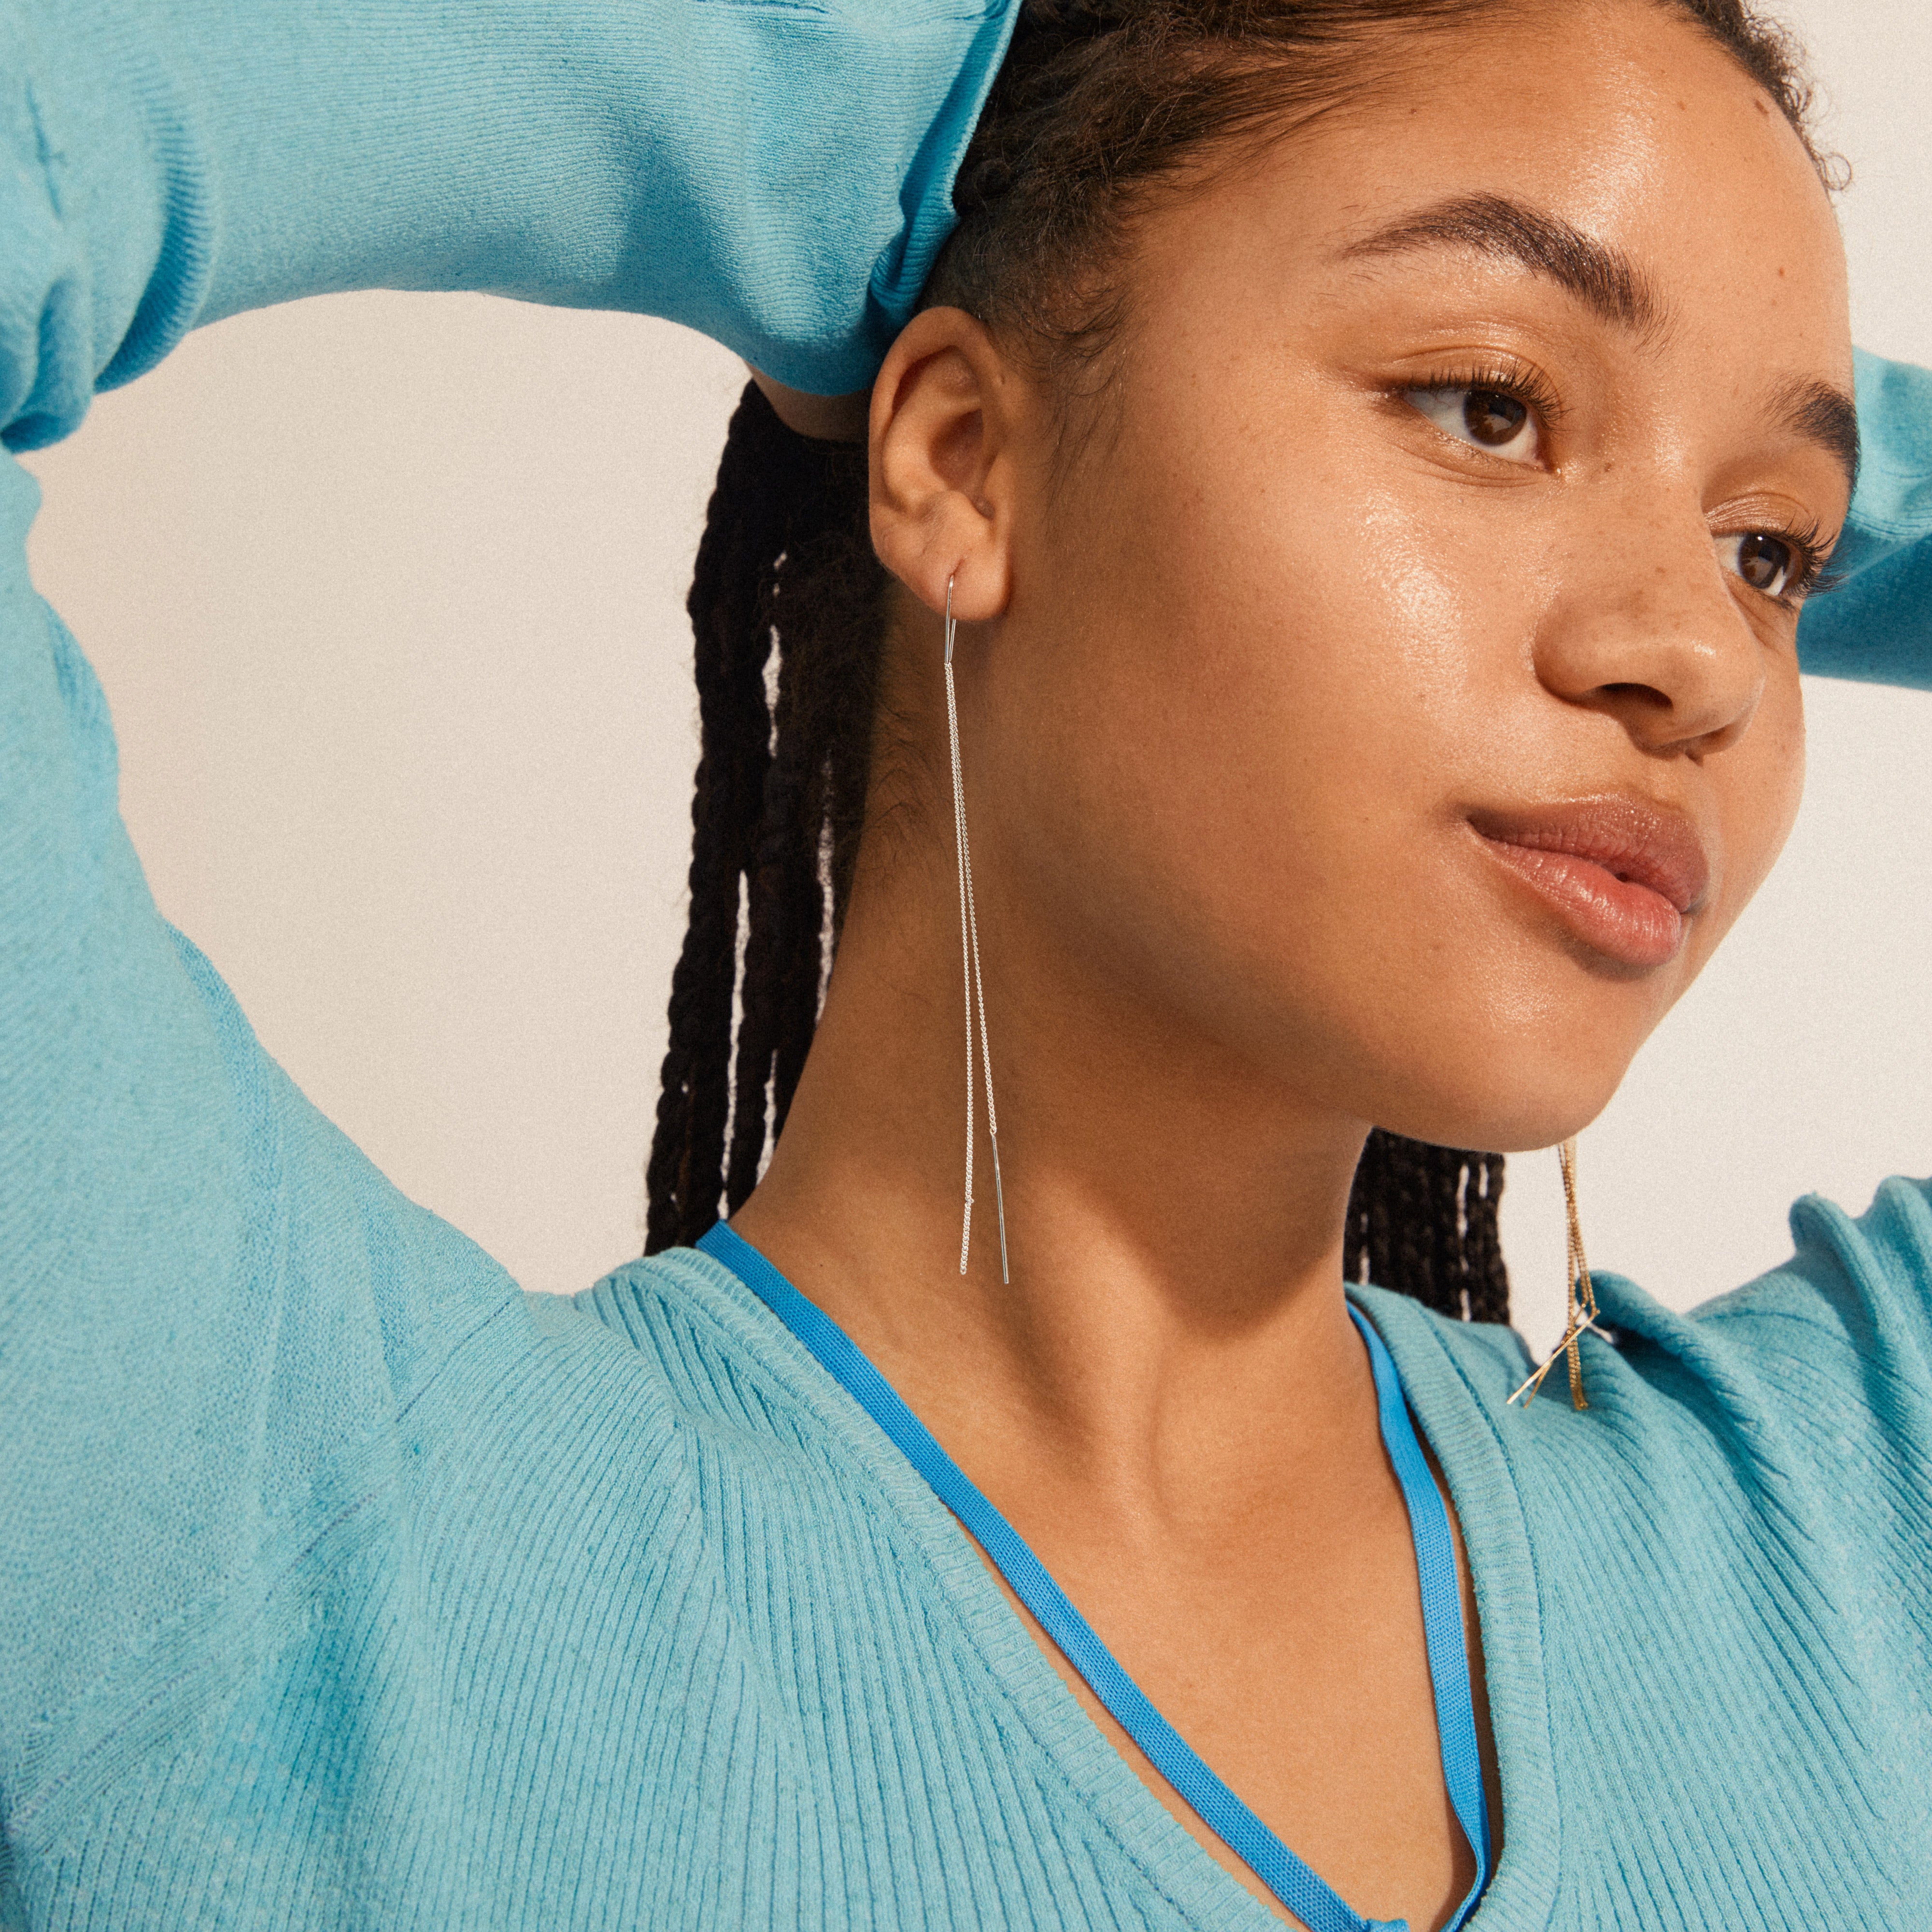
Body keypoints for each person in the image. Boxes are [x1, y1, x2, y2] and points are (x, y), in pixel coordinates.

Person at [2, 0, 1928, 1925]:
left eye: (1775, 549)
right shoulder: (270, 1545)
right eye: (1488, 405)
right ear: (961, 456)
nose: (1702, 656)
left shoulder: (1852, 1539)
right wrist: (842, 122)